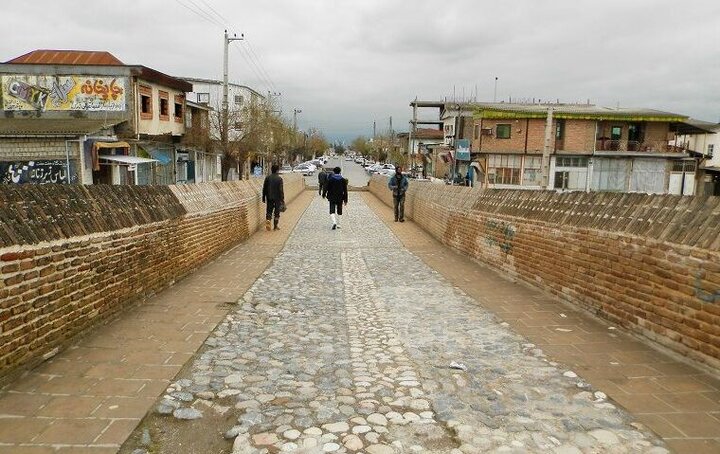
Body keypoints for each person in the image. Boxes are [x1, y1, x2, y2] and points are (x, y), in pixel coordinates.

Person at [262, 164, 285, 231]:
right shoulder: (279, 179)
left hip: (269, 197)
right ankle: (275, 226)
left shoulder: (267, 178)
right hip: (277, 198)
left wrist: (263, 197)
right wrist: (282, 199)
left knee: (269, 210)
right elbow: (281, 190)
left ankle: (268, 220)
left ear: (271, 170)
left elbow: (264, 188)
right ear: (277, 170)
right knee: (277, 212)